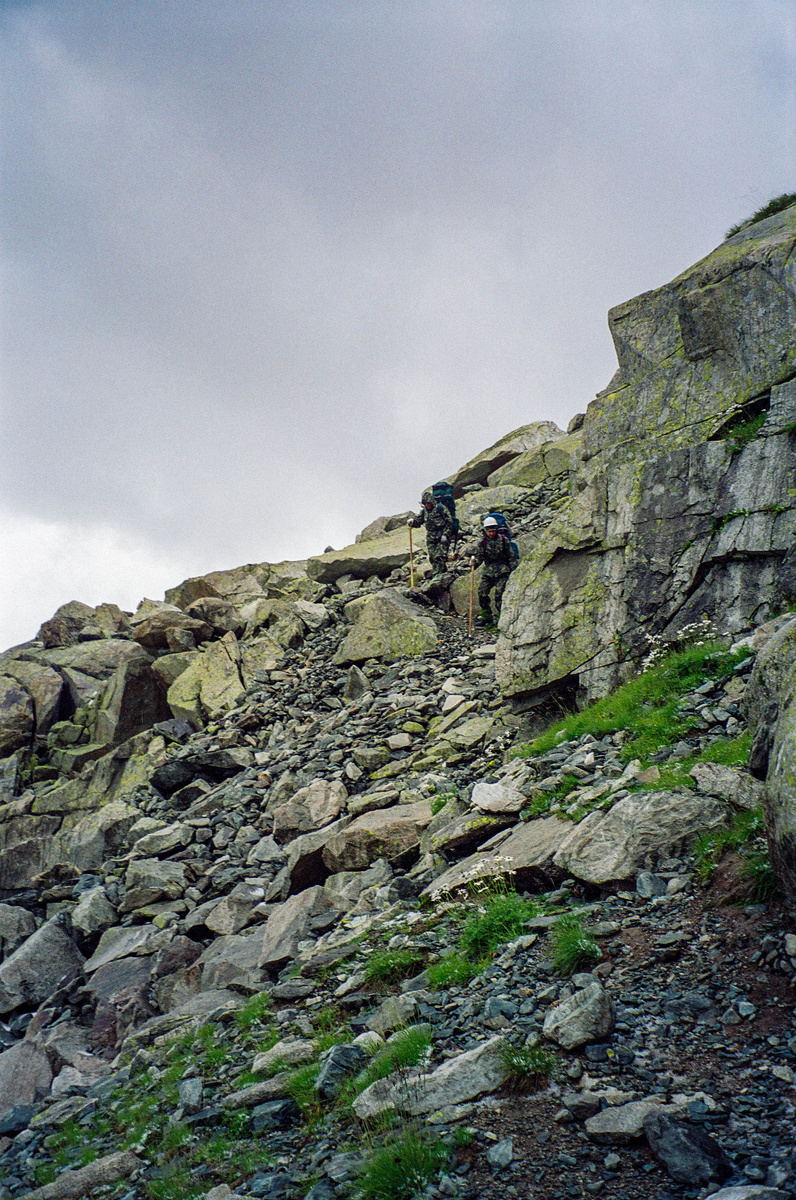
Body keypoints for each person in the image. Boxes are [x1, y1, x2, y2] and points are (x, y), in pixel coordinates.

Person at [471, 515, 517, 624]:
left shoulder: (503, 540)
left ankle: (502, 619)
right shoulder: (482, 543)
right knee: (482, 592)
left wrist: (514, 570)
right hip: (489, 573)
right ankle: (487, 618)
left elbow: (511, 556)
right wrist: (474, 563)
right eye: (489, 531)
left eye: (493, 531)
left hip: (503, 571)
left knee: (499, 594)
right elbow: (479, 558)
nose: (491, 533)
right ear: (485, 531)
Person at [409, 490, 455, 577]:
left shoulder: (440, 508)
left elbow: (449, 522)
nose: (427, 505)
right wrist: (412, 522)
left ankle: (438, 576)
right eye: (425, 504)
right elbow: (419, 521)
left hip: (442, 536)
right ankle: (441, 572)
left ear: (431, 501)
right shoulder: (424, 511)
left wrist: (445, 535)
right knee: (432, 557)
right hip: (431, 537)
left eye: (428, 503)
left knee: (440, 556)